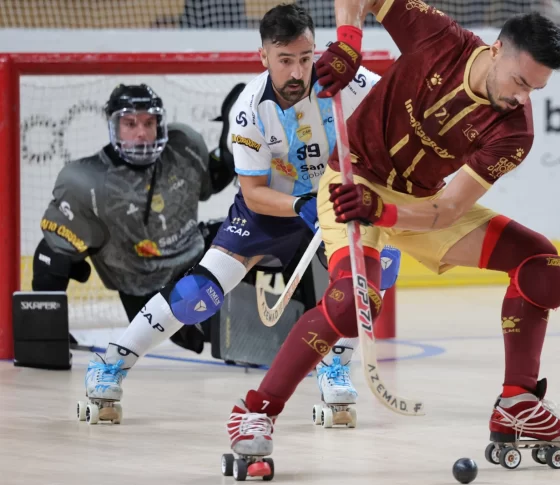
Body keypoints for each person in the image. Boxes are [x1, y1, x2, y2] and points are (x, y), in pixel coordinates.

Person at [227, 0, 560, 470]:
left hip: (417, 205)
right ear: (497, 51)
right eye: (519, 83)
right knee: (352, 305)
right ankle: (256, 413)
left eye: (534, 90)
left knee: (545, 269)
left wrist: (387, 211)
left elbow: (449, 208)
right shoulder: (440, 38)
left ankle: (517, 401)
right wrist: (350, 43)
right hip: (353, 184)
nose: (522, 100)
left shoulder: (516, 130)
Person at [81, 3, 400, 425]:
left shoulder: (349, 82)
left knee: (372, 277)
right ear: (263, 56)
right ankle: (113, 364)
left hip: (335, 201)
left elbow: (401, 116)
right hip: (270, 209)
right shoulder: (249, 110)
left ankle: (334, 364)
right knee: (198, 293)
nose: (297, 72)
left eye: (305, 59)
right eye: (285, 60)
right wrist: (302, 206)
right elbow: (253, 194)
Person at [34, 83, 236, 356]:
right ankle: (44, 337)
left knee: (243, 230)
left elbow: (210, 181)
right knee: (51, 257)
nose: (141, 133)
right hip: (143, 287)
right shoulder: (87, 181)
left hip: (194, 261)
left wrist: (230, 146)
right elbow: (52, 256)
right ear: (114, 127)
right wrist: (48, 327)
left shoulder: (184, 146)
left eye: (148, 122)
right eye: (130, 124)